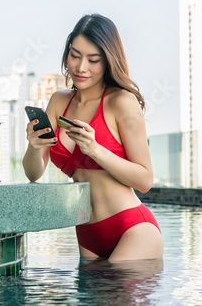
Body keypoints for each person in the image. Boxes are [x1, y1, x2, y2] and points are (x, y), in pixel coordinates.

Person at [22, 13, 163, 262]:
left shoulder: (121, 102)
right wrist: (34, 147)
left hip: (132, 228)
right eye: (75, 55)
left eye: (93, 59)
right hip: (88, 233)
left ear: (108, 61)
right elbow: (34, 173)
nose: (81, 67)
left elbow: (144, 180)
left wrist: (95, 149)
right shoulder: (58, 101)